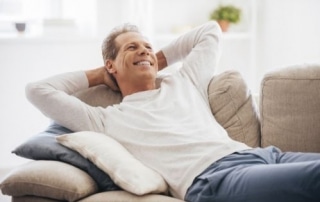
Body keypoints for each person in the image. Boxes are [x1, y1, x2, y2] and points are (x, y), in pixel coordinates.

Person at [26, 21, 320, 202]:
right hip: (214, 180)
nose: (143, 50)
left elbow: (210, 32)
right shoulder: (104, 119)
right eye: (131, 48)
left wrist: (152, 60)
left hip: (264, 156)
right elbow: (37, 90)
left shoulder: (185, 82)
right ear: (111, 64)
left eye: (147, 46)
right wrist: (100, 75)